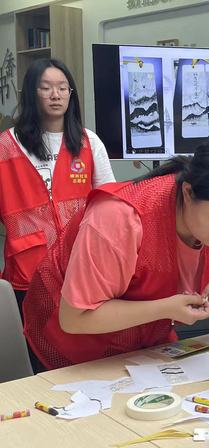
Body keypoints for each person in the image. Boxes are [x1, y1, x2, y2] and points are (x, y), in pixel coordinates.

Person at [23, 137, 209, 371]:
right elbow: (75, 318)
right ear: (187, 193)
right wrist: (165, 309)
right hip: (73, 350)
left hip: (144, 350)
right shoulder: (119, 217)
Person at [0, 58, 115, 316]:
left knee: (79, 335)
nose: (56, 95)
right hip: (28, 271)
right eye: (46, 88)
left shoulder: (88, 141)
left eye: (63, 88)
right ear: (31, 93)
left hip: (81, 265)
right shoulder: (6, 146)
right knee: (32, 337)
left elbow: (109, 204)